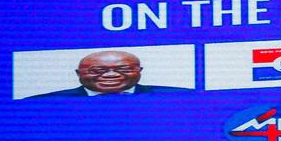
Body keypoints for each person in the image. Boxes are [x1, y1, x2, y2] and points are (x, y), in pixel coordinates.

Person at [25, 50, 190, 98]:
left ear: (139, 71)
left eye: (123, 69)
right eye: (98, 70)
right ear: (78, 73)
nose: (111, 75)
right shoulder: (45, 102)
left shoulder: (178, 96)